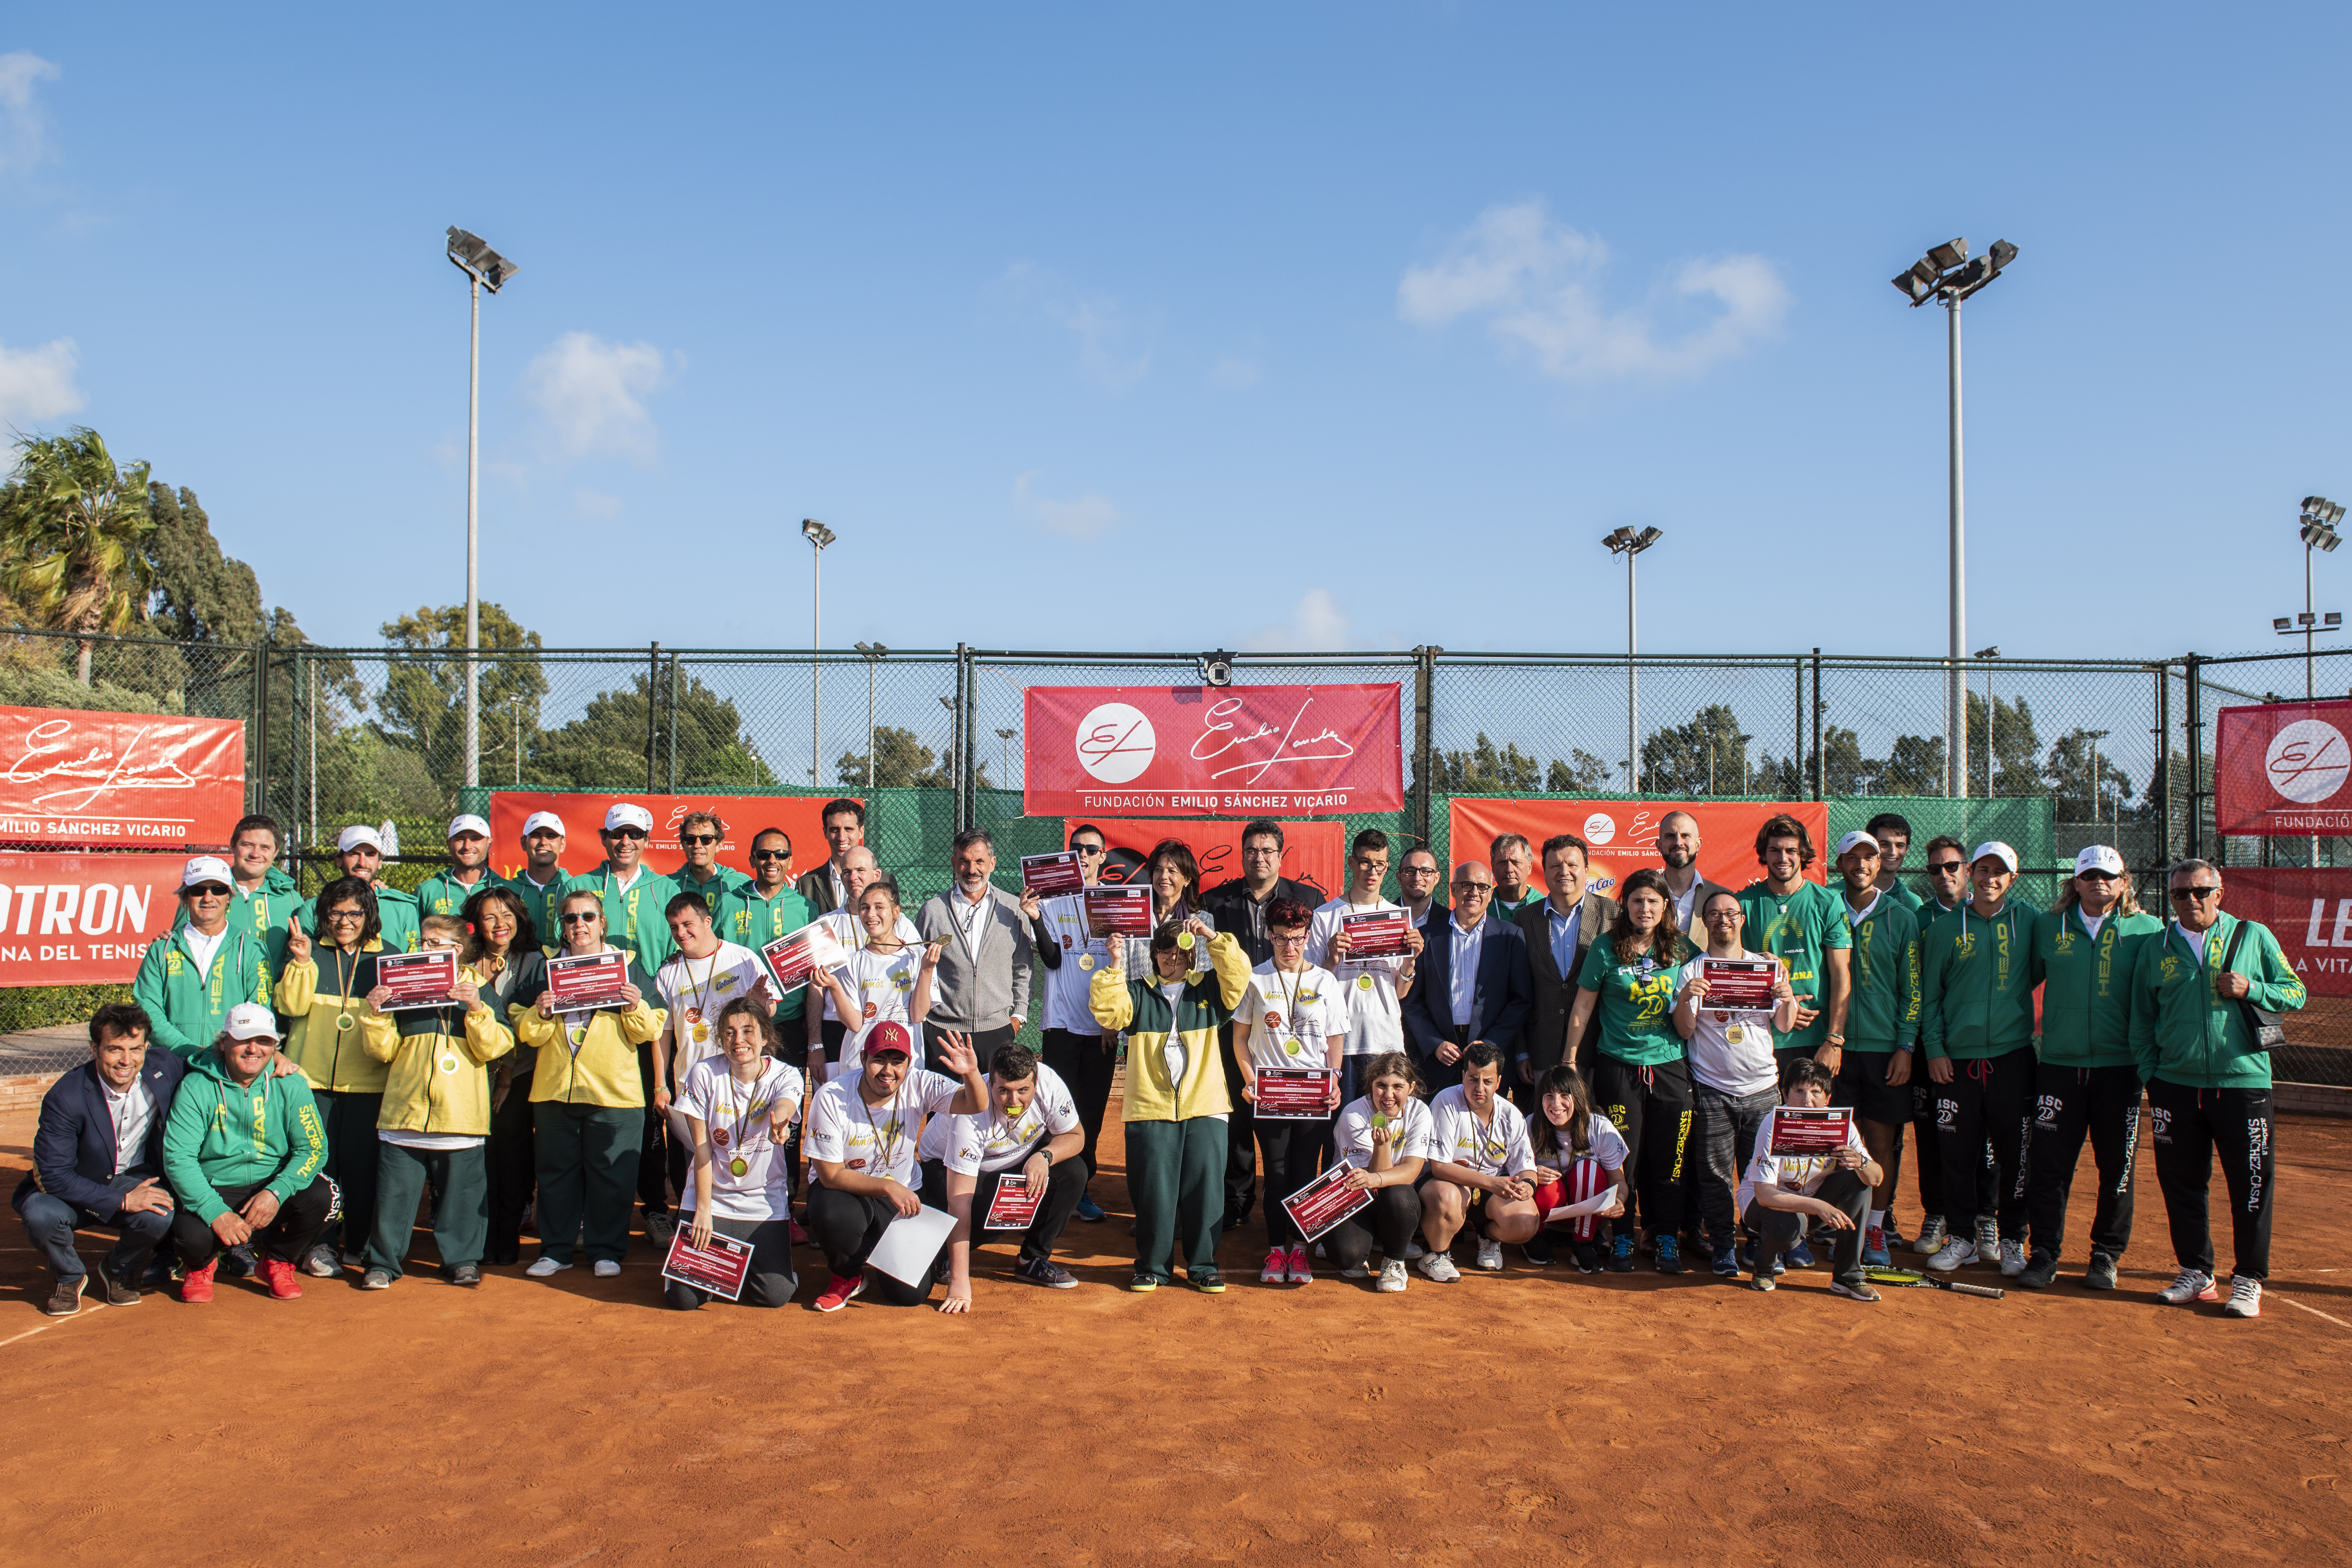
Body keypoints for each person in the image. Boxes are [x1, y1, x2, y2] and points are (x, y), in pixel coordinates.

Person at [2129, 858, 2305, 1320]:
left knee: (2250, 1183)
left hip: (2243, 1084)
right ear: (2170, 899)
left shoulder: (2252, 936)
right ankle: (2195, 1272)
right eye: (2180, 893)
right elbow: (2141, 1018)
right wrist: (2151, 1075)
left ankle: (2248, 1278)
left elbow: (2295, 991)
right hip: (2175, 1086)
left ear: (2218, 893)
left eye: (2200, 891)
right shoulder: (2155, 947)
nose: (2191, 900)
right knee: (2181, 1183)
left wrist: (2252, 988)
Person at [2018, 846, 2162, 1292]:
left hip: (2120, 1070)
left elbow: (2160, 994)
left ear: (2123, 882)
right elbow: (2023, 978)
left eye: (2108, 875)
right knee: (2048, 1167)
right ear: (2075, 882)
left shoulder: (2148, 930)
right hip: (2059, 1067)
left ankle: (2105, 1255)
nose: (2099, 881)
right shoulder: (2047, 926)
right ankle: (2044, 1252)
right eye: (2089, 874)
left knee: (2117, 1167)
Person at [1091, 916, 1252, 1293]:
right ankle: (1152, 1266)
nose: (1172, 957)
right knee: (1153, 1193)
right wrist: (1115, 962)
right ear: (1154, 954)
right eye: (1164, 950)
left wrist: (1211, 935)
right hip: (1149, 1105)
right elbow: (1107, 1011)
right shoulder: (1136, 991)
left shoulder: (1210, 987)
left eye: (1180, 951)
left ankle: (1203, 1266)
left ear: (1191, 955)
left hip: (1206, 1104)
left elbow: (1239, 973)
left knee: (1206, 1193)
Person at [511, 889, 667, 1279]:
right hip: (554, 1090)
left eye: (588, 917)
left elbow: (652, 1027)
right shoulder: (543, 968)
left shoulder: (627, 966)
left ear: (602, 923)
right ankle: (557, 1250)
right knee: (555, 1175)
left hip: (614, 1092)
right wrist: (540, 1013)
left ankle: (607, 1250)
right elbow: (521, 1026)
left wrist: (634, 1005)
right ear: (563, 926)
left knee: (612, 1176)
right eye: (571, 918)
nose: (579, 924)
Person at [357, 913, 515, 1289]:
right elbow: (383, 1051)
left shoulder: (480, 988)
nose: (423, 948)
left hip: (461, 1112)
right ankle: (382, 1263)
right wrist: (375, 1015)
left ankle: (462, 1260)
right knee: (394, 1197)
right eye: (422, 941)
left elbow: (496, 1046)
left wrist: (476, 1009)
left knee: (462, 1196)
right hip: (405, 1109)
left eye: (433, 942)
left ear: (456, 949)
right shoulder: (402, 980)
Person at [803, 1020, 986, 1311]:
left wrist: (972, 1074)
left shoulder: (919, 1083)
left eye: (897, 1062)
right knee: (832, 1213)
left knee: (910, 1296)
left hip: (902, 1197)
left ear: (909, 1064)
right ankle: (847, 1275)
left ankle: (875, 1247)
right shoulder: (831, 1096)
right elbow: (831, 1175)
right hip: (848, 1193)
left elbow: (976, 1105)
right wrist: (888, 1187)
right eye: (879, 1060)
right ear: (863, 1058)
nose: (888, 1070)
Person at [15, 1002, 185, 1314]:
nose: (126, 1060)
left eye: (135, 1049)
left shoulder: (164, 1068)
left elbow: (213, 1062)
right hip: (74, 1185)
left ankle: (118, 1270)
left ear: (147, 1047)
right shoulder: (65, 1097)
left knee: (160, 1210)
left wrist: (274, 1060)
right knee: (39, 1214)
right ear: (95, 1048)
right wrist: (122, 1201)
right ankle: (69, 1275)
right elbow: (54, 1176)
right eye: (115, 1049)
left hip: (132, 1177)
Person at [1565, 866, 1693, 1274]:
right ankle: (1622, 1234)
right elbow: (1583, 1006)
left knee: (1669, 1159)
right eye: (1637, 900)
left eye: (1653, 900)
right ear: (1625, 904)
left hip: (1669, 1065)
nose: (1645, 908)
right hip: (1618, 1066)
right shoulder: (1606, 947)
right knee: (1624, 1158)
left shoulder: (1683, 948)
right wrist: (1569, 1058)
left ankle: (1666, 1236)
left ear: (1665, 905)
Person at [160, 1003, 333, 1303]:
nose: (254, 1049)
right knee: (191, 1238)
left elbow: (313, 1148)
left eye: (264, 1041)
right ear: (224, 1042)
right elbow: (179, 1158)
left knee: (328, 1196)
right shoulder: (196, 1086)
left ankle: (278, 1261)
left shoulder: (291, 1084)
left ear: (275, 1046)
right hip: (215, 1184)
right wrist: (215, 1212)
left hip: (270, 1181)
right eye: (243, 1039)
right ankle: (200, 1266)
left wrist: (276, 1192)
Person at [1920, 841, 2037, 1277]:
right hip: (1957, 1062)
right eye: (1983, 869)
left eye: (1999, 871)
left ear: (2013, 877)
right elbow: (1930, 997)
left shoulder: (2030, 922)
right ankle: (1962, 1237)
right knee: (1956, 1154)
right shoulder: (1945, 929)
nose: (1990, 878)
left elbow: (2043, 967)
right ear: (1971, 873)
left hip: (2012, 1058)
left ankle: (2012, 1240)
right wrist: (1935, 1050)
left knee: (2016, 1156)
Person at [1674, 889, 1801, 1278]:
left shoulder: (1767, 966)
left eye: (1730, 913)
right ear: (1705, 921)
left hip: (1763, 1089)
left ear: (1742, 919)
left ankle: (1761, 1243)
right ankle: (1724, 1246)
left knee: (1762, 1172)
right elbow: (1685, 1030)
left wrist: (1787, 996)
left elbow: (1784, 1025)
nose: (1723, 919)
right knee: (1714, 1176)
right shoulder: (1693, 970)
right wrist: (1686, 998)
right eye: (1714, 914)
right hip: (1713, 1089)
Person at [276, 875, 398, 1276]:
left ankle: (359, 1244)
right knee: (320, 1167)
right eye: (335, 913)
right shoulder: (308, 950)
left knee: (363, 1169)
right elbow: (291, 1007)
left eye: (354, 913)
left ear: (369, 914)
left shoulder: (390, 957)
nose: (344, 921)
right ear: (323, 914)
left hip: (369, 1083)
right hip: (311, 1082)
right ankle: (321, 1244)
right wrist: (301, 962)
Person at [1202, 818, 1319, 1233]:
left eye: (1268, 850)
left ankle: (1293, 1203)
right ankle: (1237, 1201)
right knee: (1238, 1111)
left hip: (1289, 1028)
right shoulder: (1215, 901)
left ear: (1281, 856)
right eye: (1251, 850)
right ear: (1242, 855)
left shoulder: (1309, 899)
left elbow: (1316, 960)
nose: (1259, 857)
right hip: (1234, 1023)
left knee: (1288, 1122)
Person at [1230, 896, 1346, 1285]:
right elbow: (1240, 1038)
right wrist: (1250, 1079)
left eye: (1297, 938)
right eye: (1281, 938)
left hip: (1314, 1096)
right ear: (1270, 935)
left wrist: (1334, 1079)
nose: (1290, 947)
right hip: (1271, 1095)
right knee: (1277, 1174)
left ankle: (1300, 1251)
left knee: (1305, 1172)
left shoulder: (1325, 981)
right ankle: (1276, 1249)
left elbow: (1335, 1038)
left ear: (1308, 936)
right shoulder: (1256, 978)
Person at [648, 892, 775, 1239]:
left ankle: (743, 1226)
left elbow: (769, 1012)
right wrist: (660, 1084)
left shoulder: (742, 958)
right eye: (674, 927)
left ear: (707, 921)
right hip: (688, 1083)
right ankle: (691, 1224)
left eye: (688, 924)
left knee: (738, 1152)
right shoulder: (669, 972)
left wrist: (760, 1004)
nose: (681, 933)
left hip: (739, 1082)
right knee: (689, 1159)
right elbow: (662, 1035)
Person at [924, 1042, 1088, 1306]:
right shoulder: (971, 1114)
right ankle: (945, 1255)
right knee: (996, 1218)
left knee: (1074, 1172)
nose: (1014, 1101)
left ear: (1036, 1083)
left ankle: (1032, 1260)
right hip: (943, 1169)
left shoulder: (1050, 1084)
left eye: (1023, 1090)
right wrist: (960, 1282)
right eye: (1004, 1091)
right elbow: (959, 1202)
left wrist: (1045, 1156)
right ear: (990, 1085)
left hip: (1012, 1160)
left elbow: (1076, 1136)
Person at [670, 994, 802, 1311]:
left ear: (765, 1037)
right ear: (721, 1039)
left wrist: (780, 1121)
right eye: (729, 1033)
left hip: (762, 1200)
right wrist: (703, 1209)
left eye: (747, 1031)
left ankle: (740, 1268)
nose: (738, 1040)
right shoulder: (704, 1073)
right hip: (712, 1197)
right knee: (684, 1299)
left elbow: (785, 1103)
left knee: (775, 1295)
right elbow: (702, 1148)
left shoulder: (786, 1075)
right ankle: (709, 1271)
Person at [1827, 830, 1922, 1267]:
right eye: (1852, 857)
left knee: (1881, 1141)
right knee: (1839, 1141)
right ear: (1840, 863)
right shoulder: (1826, 906)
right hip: (1835, 1047)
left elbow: (1912, 989)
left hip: (1885, 1049)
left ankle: (1876, 1227)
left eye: (1870, 857)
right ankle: (1843, 1224)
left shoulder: (1902, 917)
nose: (1861, 864)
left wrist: (1905, 1045)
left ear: (1879, 863)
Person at [1029, 822, 1116, 1223]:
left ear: (1103, 856)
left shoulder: (1115, 903)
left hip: (1102, 1029)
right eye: (1077, 847)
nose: (1083, 854)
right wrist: (1034, 918)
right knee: (1053, 1111)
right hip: (1061, 1025)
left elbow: (1124, 965)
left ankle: (1081, 1188)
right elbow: (1051, 959)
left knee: (1092, 1113)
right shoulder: (1049, 901)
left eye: (1091, 849)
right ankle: (1046, 1188)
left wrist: (1113, 1021)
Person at [1738, 1059, 1884, 1299]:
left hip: (1813, 1203)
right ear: (1785, 1094)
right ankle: (1764, 1267)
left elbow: (1876, 1178)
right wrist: (1819, 1206)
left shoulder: (1842, 1126)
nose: (1807, 1100)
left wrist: (1861, 1162)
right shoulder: (1772, 1124)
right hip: (1764, 1205)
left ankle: (1848, 1277)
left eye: (1816, 1092)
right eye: (1799, 1091)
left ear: (1827, 1098)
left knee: (1860, 1182)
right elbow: (1764, 1195)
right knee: (1787, 1224)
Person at [1305, 831, 1424, 1109]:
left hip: (1384, 1039)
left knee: (1383, 1124)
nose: (1373, 872)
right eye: (1365, 863)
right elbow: (1310, 989)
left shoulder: (1397, 918)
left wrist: (1410, 961)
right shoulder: (1325, 916)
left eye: (1380, 864)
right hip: (1339, 1041)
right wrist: (1332, 960)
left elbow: (1400, 993)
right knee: (1342, 1125)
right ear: (1352, 862)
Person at [465, 884, 546, 1265]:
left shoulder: (534, 961)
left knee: (511, 1156)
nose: (500, 924)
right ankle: (478, 1239)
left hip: (519, 1073)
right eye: (490, 917)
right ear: (475, 923)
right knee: (477, 1156)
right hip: (470, 1074)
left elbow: (523, 1027)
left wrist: (507, 1076)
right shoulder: (462, 960)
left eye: (508, 915)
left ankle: (507, 1237)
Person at [1401, 861, 1532, 1096]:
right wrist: (1434, 1043)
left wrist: (1491, 1044)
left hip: (1489, 1056)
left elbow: (1521, 1000)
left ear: (1490, 894)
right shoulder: (1427, 936)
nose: (1474, 892)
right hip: (1440, 1059)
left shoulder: (1510, 936)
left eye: (1482, 887)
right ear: (1453, 889)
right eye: (1467, 885)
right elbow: (1412, 1001)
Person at [1737, 814, 1852, 1079]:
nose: (1783, 858)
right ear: (1764, 854)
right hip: (1760, 1037)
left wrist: (1834, 1040)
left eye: (1791, 850)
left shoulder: (1828, 902)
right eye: (1774, 850)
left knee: (1808, 1107)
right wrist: (1785, 1008)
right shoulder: (1742, 904)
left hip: (1816, 1038)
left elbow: (1841, 975)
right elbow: (1731, 971)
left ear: (1803, 854)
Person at [1417, 1042, 1542, 1277]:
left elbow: (1527, 1169)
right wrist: (1491, 1183)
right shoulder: (1446, 1101)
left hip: (1492, 1188)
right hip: (1448, 1182)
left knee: (1526, 1223)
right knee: (1446, 1196)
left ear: (1499, 1082)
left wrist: (1528, 1186)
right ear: (1463, 1076)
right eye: (1473, 1079)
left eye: (1487, 1081)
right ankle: (1435, 1254)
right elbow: (1440, 1167)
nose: (1479, 1088)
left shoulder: (1511, 1114)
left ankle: (1488, 1237)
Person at [134, 855, 272, 1061]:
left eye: (218, 889)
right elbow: (148, 1010)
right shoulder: (161, 950)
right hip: (173, 1061)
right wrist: (188, 1049)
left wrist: (224, 1051)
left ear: (229, 897)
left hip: (229, 1064)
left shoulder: (253, 950)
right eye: (198, 890)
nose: (208, 898)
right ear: (185, 897)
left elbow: (259, 1011)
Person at [916, 828, 1031, 1074]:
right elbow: (918, 968)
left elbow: (1023, 966)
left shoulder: (1013, 909)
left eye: (980, 861)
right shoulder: (932, 911)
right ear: (953, 863)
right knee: (944, 1100)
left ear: (992, 863)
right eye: (964, 861)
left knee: (993, 1099)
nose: (972, 869)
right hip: (943, 1033)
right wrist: (927, 1021)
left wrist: (1018, 1018)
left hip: (997, 1032)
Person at [1513, 833, 1616, 1106]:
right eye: (1555, 866)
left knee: (1595, 1124)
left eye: (1572, 865)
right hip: (1542, 1049)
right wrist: (1522, 1051)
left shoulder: (1614, 914)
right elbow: (1519, 990)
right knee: (1549, 1124)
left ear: (1586, 868)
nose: (1564, 872)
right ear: (1544, 871)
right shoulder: (1525, 918)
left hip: (1597, 1046)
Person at [1905, 835, 1971, 1256]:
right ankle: (1936, 1213)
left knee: (1980, 1138)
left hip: (1975, 1048)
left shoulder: (1990, 914)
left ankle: (1983, 1219)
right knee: (1930, 1135)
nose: (1944, 875)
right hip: (1928, 1048)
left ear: (1968, 869)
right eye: (1935, 868)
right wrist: (1927, 1045)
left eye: (1952, 866)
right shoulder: (1918, 917)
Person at [1324, 1052, 1434, 1293]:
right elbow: (1367, 1186)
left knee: (1399, 1194)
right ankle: (1369, 1240)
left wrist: (1377, 1167)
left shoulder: (1420, 1112)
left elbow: (1411, 1171)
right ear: (1371, 1084)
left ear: (1411, 1088)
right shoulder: (1353, 1114)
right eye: (1381, 1086)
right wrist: (1381, 1149)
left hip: (1393, 1199)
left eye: (1398, 1087)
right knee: (1347, 1257)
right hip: (1354, 1196)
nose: (1388, 1095)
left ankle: (1394, 1260)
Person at [815, 880, 941, 1087]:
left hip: (904, 1062)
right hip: (860, 1064)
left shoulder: (919, 957)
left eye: (879, 907)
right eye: (865, 908)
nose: (871, 914)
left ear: (896, 912)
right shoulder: (853, 962)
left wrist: (926, 970)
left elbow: (918, 1015)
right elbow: (855, 1024)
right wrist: (834, 987)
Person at [805, 847, 922, 1067]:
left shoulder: (901, 924)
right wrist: (815, 1043)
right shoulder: (826, 924)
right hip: (836, 1027)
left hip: (887, 1026)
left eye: (861, 870)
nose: (853, 878)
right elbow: (816, 986)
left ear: (876, 875)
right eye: (847, 872)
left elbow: (919, 980)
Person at [712, 826, 816, 1072]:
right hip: (738, 1022)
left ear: (790, 861)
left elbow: (815, 971)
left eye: (780, 855)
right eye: (764, 854)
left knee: (786, 1093)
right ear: (752, 860)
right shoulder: (728, 903)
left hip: (790, 1022)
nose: (772, 860)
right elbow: (710, 953)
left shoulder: (806, 907)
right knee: (738, 1093)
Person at [1522, 1064, 1629, 1270]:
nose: (1556, 1104)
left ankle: (1583, 1245)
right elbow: (1511, 1173)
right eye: (1549, 1096)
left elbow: (1618, 1181)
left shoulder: (1599, 1127)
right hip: (1547, 1212)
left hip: (1591, 1216)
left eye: (1564, 1095)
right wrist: (1531, 1173)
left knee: (1587, 1169)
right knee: (1539, 1180)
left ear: (1578, 1097)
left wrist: (1619, 1200)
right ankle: (1533, 1237)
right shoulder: (1531, 1125)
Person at [192, 813, 301, 990]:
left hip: (269, 1004)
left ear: (275, 853)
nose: (256, 854)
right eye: (248, 845)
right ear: (233, 846)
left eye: (265, 847)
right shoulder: (205, 895)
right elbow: (180, 946)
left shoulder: (291, 899)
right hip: (216, 1001)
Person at [577, 803, 679, 970]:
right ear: (604, 839)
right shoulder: (578, 887)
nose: (625, 842)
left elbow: (677, 951)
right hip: (593, 983)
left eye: (635, 834)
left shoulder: (667, 890)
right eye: (617, 834)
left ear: (646, 841)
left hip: (650, 985)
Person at [305, 826, 421, 954]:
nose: (362, 863)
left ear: (380, 862)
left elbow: (414, 961)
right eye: (354, 854)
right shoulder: (312, 908)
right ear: (339, 860)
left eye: (370, 855)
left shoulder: (404, 909)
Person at [1655, 811, 1735, 935]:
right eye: (1670, 836)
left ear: (1698, 844)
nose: (1678, 843)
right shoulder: (1645, 897)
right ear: (1659, 845)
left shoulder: (1724, 899)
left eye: (1685, 836)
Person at [415, 813, 503, 920]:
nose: (467, 846)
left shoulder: (505, 889)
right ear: (449, 844)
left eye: (475, 839)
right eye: (460, 839)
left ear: (489, 844)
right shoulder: (427, 891)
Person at [509, 810, 573, 955]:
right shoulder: (507, 890)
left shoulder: (574, 888)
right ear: (524, 843)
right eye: (536, 836)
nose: (543, 842)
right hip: (515, 968)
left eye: (551, 836)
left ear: (562, 844)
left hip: (563, 966)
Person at [796, 797, 868, 915]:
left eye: (849, 829)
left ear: (861, 832)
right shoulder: (806, 884)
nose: (842, 837)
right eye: (835, 830)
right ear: (825, 832)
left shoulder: (884, 880)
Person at [672, 808, 749, 914]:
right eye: (690, 839)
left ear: (719, 845)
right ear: (683, 845)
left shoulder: (740, 884)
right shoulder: (668, 886)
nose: (697, 845)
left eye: (706, 839)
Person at [1868, 812, 1922, 912]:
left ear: (1906, 850)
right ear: (1870, 846)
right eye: (1884, 845)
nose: (1893, 852)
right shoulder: (1841, 895)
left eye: (1900, 846)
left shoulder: (1913, 904)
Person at [1489, 833, 1541, 915]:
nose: (1509, 870)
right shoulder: (1482, 906)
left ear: (1529, 867)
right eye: (1502, 863)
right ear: (1493, 868)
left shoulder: (1544, 907)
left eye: (1516, 862)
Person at [1397, 846, 1446, 928]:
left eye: (1426, 871)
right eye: (1410, 871)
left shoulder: (1450, 921)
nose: (1417, 878)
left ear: (1436, 878)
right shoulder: (1382, 918)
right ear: (1399, 877)